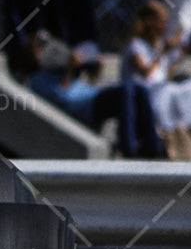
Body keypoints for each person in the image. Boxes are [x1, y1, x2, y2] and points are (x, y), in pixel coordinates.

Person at [27, 29, 165, 158]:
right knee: (126, 90)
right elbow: (62, 96)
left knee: (139, 89)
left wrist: (95, 71)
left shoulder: (61, 70)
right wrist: (70, 69)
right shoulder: (38, 78)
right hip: (86, 106)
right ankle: (128, 146)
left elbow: (89, 86)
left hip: (93, 97)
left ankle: (152, 145)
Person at [121, 0, 191, 160]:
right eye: (161, 21)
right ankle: (178, 130)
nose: (164, 26)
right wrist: (162, 52)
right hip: (141, 97)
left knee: (190, 85)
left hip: (158, 93)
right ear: (149, 22)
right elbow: (146, 73)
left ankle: (184, 125)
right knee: (169, 91)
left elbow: (164, 75)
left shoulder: (157, 46)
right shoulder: (135, 45)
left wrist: (181, 55)